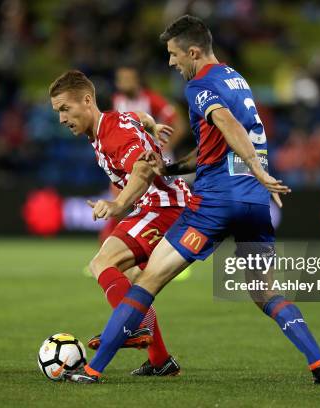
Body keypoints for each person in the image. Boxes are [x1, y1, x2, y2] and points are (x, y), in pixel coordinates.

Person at [66, 15, 320, 385]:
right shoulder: (236, 79)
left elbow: (226, 123)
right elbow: (214, 144)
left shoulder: (199, 85)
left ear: (193, 52)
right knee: (265, 290)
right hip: (255, 203)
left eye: (174, 55)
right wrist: (174, 167)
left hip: (215, 202)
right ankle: (318, 360)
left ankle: (94, 370)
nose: (171, 63)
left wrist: (257, 168)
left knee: (147, 282)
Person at [49, 70, 191, 376]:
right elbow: (138, 116)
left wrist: (117, 205)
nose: (61, 119)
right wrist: (152, 125)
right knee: (127, 277)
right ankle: (160, 361)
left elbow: (142, 170)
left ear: (87, 101)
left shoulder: (113, 134)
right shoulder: (109, 122)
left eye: (65, 109)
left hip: (164, 207)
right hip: (158, 205)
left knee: (102, 263)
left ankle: (134, 327)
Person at [97, 65, 187, 244]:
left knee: (164, 209)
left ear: (137, 80)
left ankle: (173, 253)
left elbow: (180, 124)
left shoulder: (152, 100)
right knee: (118, 207)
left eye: (127, 78)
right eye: (119, 79)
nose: (122, 83)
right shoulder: (114, 101)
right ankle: (106, 249)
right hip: (124, 165)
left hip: (152, 165)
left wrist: (165, 148)